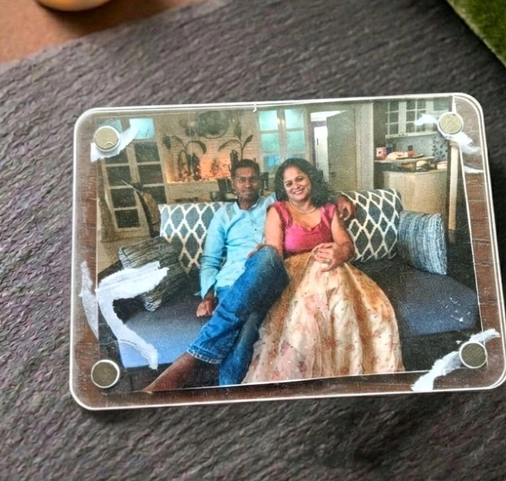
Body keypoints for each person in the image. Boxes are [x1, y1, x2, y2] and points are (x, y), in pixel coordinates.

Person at [145, 159, 354, 392]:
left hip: (269, 275)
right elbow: (210, 260)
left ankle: (194, 357)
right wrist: (208, 295)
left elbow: (306, 192)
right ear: (232, 184)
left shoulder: (275, 203)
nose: (247, 184)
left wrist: (339, 197)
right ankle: (229, 391)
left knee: (267, 255)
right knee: (250, 322)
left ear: (260, 182)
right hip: (232, 283)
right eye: (241, 180)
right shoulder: (223, 215)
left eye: (253, 179)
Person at [243, 158, 404, 384]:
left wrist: (340, 252)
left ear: (310, 178)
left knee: (358, 308)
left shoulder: (328, 209)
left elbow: (347, 246)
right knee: (306, 318)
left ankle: (345, 377)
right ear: (283, 189)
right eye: (289, 183)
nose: (295, 186)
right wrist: (263, 252)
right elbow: (275, 256)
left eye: (299, 179)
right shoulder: (278, 211)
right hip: (297, 278)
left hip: (334, 271)